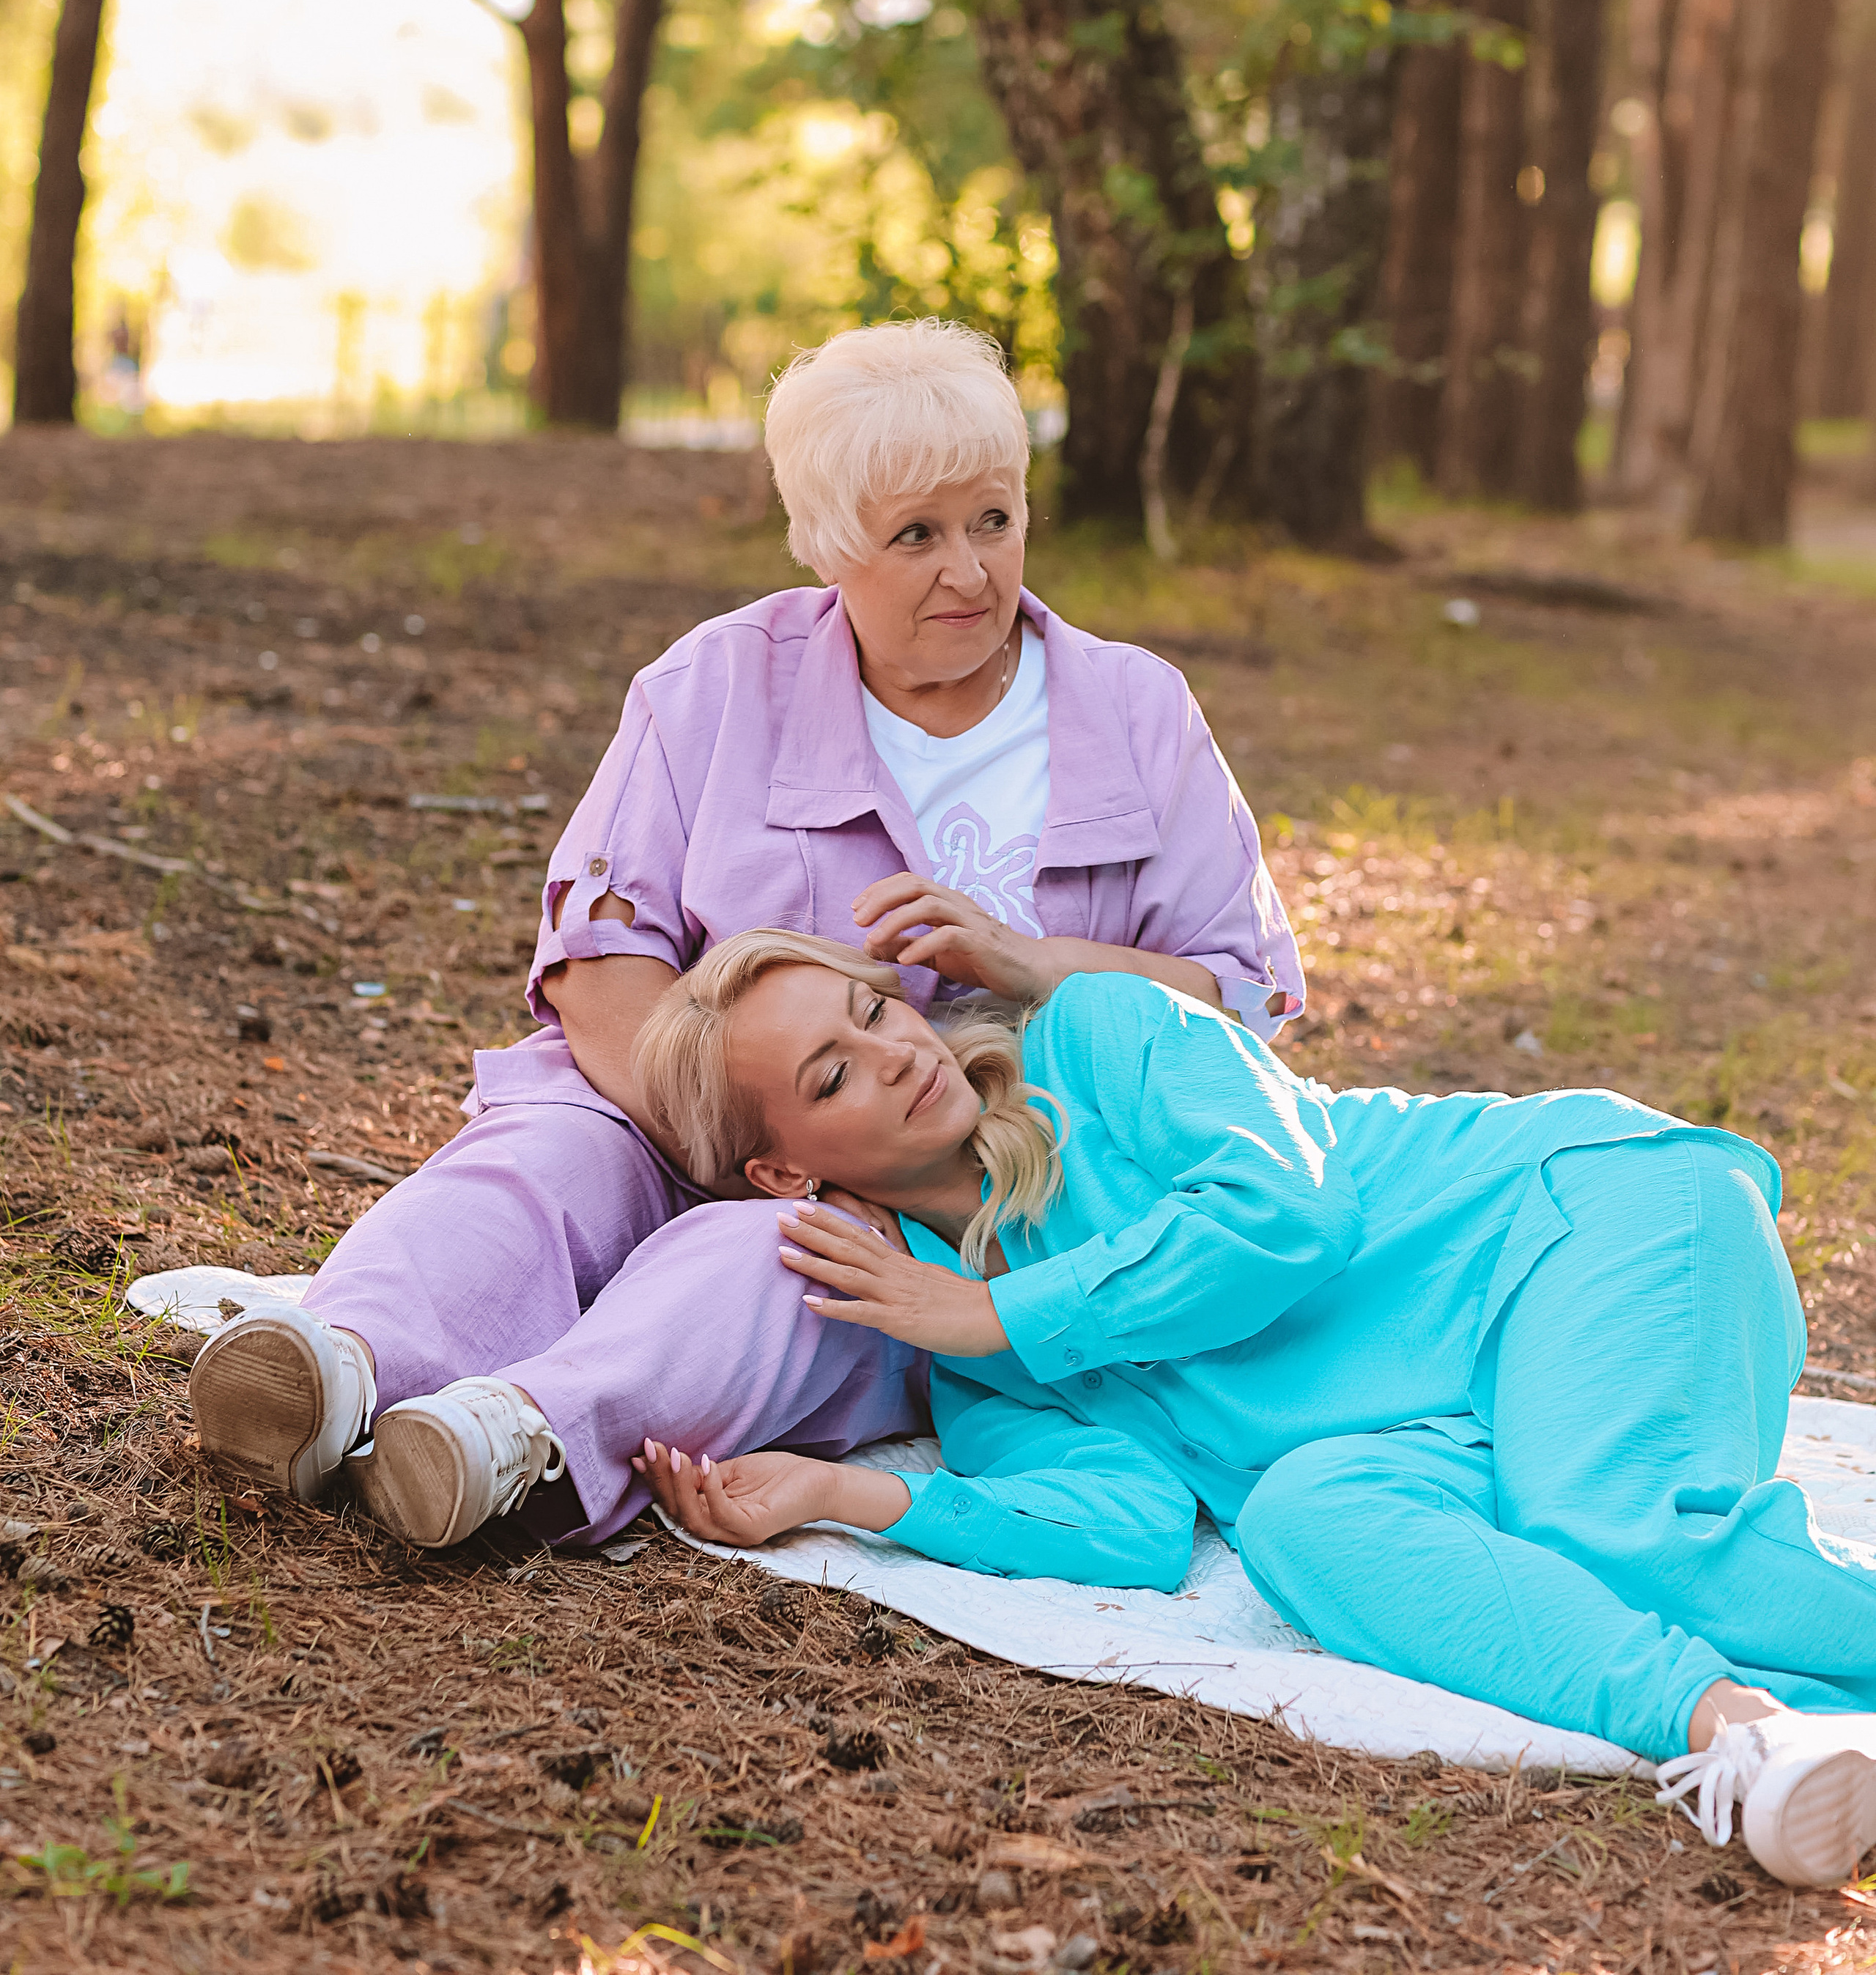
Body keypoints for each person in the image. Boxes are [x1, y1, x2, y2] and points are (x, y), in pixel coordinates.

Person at [188, 320, 1301, 1551]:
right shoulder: (715, 686)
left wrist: (1028, 972)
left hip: (965, 1195)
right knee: (547, 1155)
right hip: (673, 1111)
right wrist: (744, 1147)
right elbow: (604, 972)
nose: (972, 573)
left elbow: (1238, 1014)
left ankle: (510, 1440)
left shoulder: (1135, 709)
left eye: (994, 519)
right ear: (830, 549)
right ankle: (335, 1365)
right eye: (916, 536)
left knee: (792, 1259)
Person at [629, 929, 1876, 1894]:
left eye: (875, 1008)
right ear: (786, 1172)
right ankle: (1749, 1733)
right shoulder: (961, 1346)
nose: (903, 1049)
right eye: (837, 1071)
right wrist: (844, 1494)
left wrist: (1005, 1315)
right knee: (1300, 1520)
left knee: (1606, 1522)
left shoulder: (1099, 1037)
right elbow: (1128, 1529)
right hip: (1438, 1431)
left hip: (1578, 1224)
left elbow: (1287, 1212)